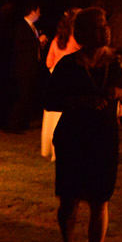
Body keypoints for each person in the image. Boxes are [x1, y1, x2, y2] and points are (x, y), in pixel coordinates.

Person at [48, 7, 122, 242]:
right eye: (98, 25)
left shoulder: (116, 63)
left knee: (100, 199)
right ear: (83, 33)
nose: (105, 29)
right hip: (74, 136)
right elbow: (50, 100)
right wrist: (81, 100)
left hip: (104, 138)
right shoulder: (68, 65)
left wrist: (118, 92)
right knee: (69, 199)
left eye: (105, 23)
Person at [41, 8, 80, 162]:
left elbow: (48, 62)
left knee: (53, 119)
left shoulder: (56, 40)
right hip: (71, 83)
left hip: (55, 83)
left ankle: (53, 151)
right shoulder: (76, 41)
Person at [7, 1, 48, 132]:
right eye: (38, 11)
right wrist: (37, 41)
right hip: (23, 68)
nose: (40, 14)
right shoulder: (21, 27)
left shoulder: (34, 27)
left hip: (32, 67)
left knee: (28, 96)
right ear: (32, 12)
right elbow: (19, 46)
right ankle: (13, 124)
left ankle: (23, 122)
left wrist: (40, 45)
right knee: (22, 96)